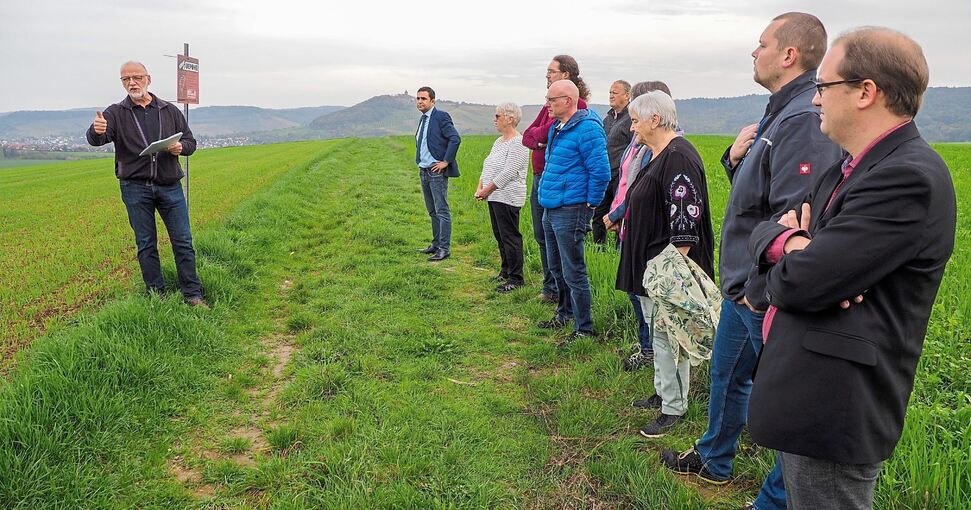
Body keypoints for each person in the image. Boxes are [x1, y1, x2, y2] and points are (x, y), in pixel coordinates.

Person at [746, 27, 955, 510]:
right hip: (810, 391)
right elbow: (766, 233)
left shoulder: (907, 177)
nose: (815, 99)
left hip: (835, 406)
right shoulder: (848, 167)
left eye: (824, 86)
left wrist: (800, 259)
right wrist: (793, 244)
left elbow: (801, 283)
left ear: (865, 92)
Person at [660, 13, 842, 510]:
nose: (754, 52)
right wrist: (733, 161)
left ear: (789, 55)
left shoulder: (801, 118)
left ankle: (777, 499)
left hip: (761, 293)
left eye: (762, 44)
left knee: (787, 402)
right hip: (742, 286)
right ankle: (713, 459)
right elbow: (757, 195)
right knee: (727, 378)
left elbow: (793, 219)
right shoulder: (778, 112)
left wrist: (757, 293)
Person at [616, 91, 714, 438]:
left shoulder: (678, 157)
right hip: (651, 268)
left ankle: (674, 408)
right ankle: (663, 392)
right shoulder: (658, 154)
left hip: (667, 271)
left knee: (669, 338)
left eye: (635, 120)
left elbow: (685, 226)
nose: (632, 127)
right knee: (658, 336)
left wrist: (667, 278)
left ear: (654, 119)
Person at [86, 61, 206, 307]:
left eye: (137, 77)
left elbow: (190, 143)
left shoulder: (169, 110)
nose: (132, 83)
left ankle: (193, 294)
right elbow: (97, 139)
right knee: (146, 244)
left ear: (148, 79)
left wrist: (180, 147)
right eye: (126, 79)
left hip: (169, 185)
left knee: (183, 241)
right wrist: (96, 130)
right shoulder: (115, 113)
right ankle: (156, 296)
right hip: (135, 188)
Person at [603, 80, 672, 373]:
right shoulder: (639, 140)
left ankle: (652, 351)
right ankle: (647, 346)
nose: (632, 124)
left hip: (640, 228)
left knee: (644, 292)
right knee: (635, 291)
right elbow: (627, 180)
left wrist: (617, 213)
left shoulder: (665, 149)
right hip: (628, 224)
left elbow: (640, 189)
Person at [536, 79, 610, 341]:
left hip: (571, 208)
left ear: (568, 101)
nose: (547, 104)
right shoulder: (558, 127)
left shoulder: (587, 129)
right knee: (556, 266)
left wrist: (590, 205)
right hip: (551, 206)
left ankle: (583, 328)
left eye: (552, 100)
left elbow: (601, 172)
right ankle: (564, 314)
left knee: (573, 270)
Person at [522, 55, 590, 303]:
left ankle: (564, 297)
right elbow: (527, 136)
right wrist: (540, 139)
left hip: (560, 182)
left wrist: (542, 138)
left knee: (558, 240)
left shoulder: (576, 105)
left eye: (551, 71)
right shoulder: (549, 106)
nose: (547, 75)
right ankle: (551, 287)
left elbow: (545, 134)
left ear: (566, 75)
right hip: (541, 177)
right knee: (542, 236)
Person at [475, 103, 530, 292]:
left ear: (510, 118)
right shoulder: (499, 142)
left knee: (510, 236)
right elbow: (488, 166)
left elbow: (509, 172)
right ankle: (505, 271)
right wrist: (480, 187)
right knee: (500, 235)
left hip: (508, 196)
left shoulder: (519, 142)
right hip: (494, 195)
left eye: (497, 116)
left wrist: (487, 190)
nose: (494, 119)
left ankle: (516, 278)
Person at [414, 86, 462, 262]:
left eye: (423, 99)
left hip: (436, 172)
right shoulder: (423, 119)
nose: (420, 101)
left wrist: (446, 161)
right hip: (424, 171)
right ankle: (435, 244)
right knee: (432, 210)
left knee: (442, 211)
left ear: (432, 101)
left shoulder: (441, 116)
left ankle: (444, 249)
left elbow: (455, 138)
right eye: (418, 98)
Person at [592, 80, 632, 246]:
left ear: (627, 95)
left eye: (615, 93)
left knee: (620, 216)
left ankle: (619, 250)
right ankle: (598, 249)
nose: (611, 95)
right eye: (610, 92)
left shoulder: (631, 119)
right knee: (599, 215)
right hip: (604, 175)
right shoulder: (607, 118)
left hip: (620, 177)